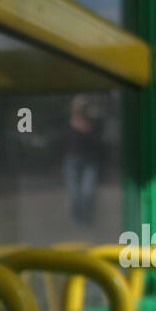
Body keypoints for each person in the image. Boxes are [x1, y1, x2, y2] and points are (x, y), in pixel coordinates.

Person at [63, 95, 104, 227]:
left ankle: (89, 218)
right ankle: (78, 219)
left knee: (88, 192)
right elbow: (62, 142)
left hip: (89, 161)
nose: (80, 110)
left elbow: (98, 142)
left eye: (83, 108)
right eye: (78, 108)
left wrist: (88, 130)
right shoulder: (67, 123)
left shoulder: (93, 124)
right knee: (74, 193)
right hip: (71, 160)